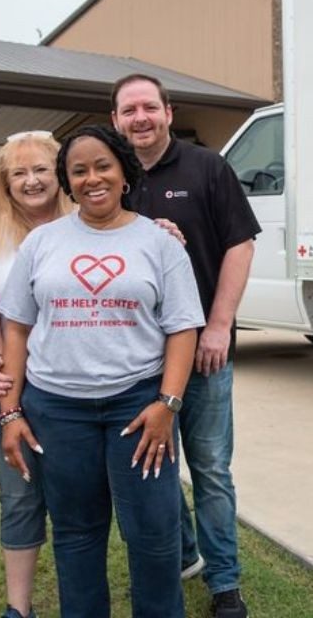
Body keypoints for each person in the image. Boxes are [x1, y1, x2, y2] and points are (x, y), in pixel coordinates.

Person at [0, 124, 205, 618]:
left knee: (154, 534)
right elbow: (17, 329)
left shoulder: (158, 242)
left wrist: (167, 405)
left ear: (124, 172)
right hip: (57, 410)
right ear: (67, 182)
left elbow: (182, 330)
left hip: (139, 408)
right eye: (79, 171)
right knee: (77, 534)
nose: (92, 178)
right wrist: (10, 413)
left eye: (103, 166)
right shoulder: (43, 242)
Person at [111, 74, 261, 618]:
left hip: (203, 354)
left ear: (168, 112)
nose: (141, 117)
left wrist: (218, 325)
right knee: (152, 463)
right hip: (135, 357)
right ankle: (181, 555)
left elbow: (240, 246)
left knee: (210, 469)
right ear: (116, 120)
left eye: (150, 106)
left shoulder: (206, 167)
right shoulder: (113, 177)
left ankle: (225, 584)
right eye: (130, 110)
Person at [0, 130, 72, 618]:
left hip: (79, 385)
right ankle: (18, 608)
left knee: (79, 496)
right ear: (5, 183)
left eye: (41, 170)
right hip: (16, 387)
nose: (31, 181)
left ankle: (82, 597)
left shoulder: (89, 220)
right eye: (19, 174)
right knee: (20, 496)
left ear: (60, 172)